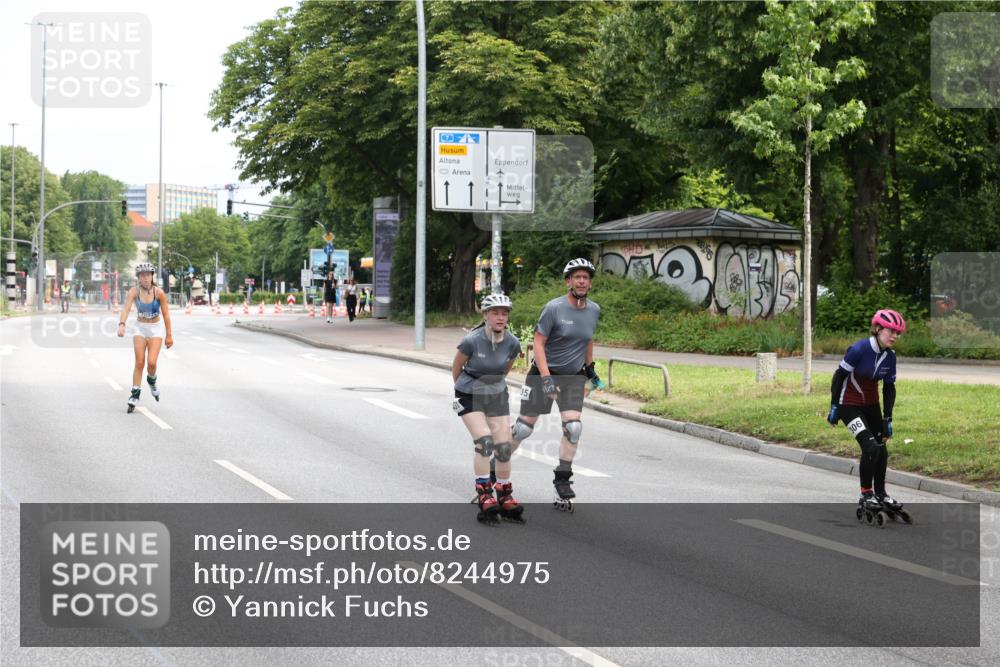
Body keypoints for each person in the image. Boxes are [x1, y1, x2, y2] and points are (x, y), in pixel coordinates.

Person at [511, 258, 605, 512]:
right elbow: (538, 343)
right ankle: (494, 471)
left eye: (585, 277)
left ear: (590, 282)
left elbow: (586, 339)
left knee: (573, 427)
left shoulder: (594, 310)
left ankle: (562, 481)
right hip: (544, 372)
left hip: (573, 376)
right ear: (568, 281)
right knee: (523, 429)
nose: (582, 281)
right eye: (577, 277)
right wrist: (545, 377)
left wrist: (590, 367)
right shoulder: (553, 308)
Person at [827, 309, 911, 524]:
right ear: (877, 329)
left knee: (882, 448)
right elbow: (839, 377)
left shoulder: (890, 356)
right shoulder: (859, 349)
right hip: (849, 406)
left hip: (871, 406)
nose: (894, 336)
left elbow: (889, 388)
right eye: (891, 331)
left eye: (898, 333)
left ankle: (881, 494)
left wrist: (887, 418)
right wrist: (835, 406)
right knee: (870, 446)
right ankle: (866, 493)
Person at [452, 293, 523, 524]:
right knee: (484, 442)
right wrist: (462, 391)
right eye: (495, 313)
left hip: (495, 393)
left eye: (504, 313)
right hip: (469, 393)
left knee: (503, 447)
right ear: (485, 315)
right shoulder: (472, 341)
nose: (500, 317)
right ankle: (484, 494)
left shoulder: (512, 342)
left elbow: (505, 369)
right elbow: (457, 367)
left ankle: (504, 494)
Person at [117, 262, 173, 412]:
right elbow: (127, 308)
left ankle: (152, 381)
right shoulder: (133, 292)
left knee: (152, 363)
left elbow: (166, 315)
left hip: (155, 329)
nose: (146, 278)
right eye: (142, 275)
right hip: (140, 328)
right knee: (140, 362)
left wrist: (169, 335)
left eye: (148, 275)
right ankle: (135, 394)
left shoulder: (159, 292)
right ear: (139, 278)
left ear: (152, 276)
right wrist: (121, 324)